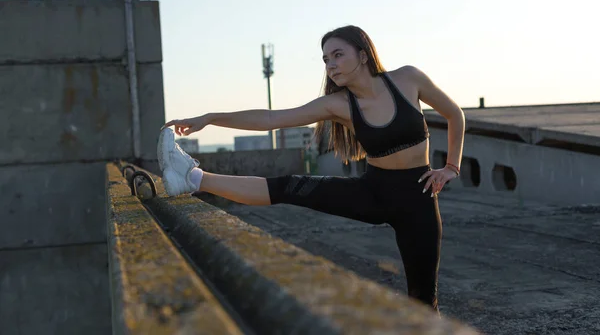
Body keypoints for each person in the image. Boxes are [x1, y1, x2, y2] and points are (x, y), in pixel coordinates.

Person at [158, 25, 466, 312]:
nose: (330, 65)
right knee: (289, 186)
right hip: (374, 192)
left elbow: (454, 114)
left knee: (424, 301)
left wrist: (451, 167)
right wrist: (210, 117)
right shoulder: (337, 104)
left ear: (362, 54)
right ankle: (193, 178)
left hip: (419, 198)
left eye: (337, 55)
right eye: (325, 59)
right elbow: (270, 119)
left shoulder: (408, 79)